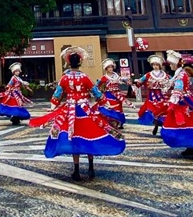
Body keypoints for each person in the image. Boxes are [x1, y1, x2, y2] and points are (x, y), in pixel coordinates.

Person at [29, 47, 125, 181]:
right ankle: (91, 167)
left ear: (68, 63)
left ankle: (76, 170)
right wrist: (105, 103)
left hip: (70, 111)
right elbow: (96, 92)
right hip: (85, 110)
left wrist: (52, 107)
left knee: (74, 138)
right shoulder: (85, 77)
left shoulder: (64, 78)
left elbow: (57, 94)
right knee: (90, 135)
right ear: (80, 62)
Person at [134, 54, 171, 135]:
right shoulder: (148, 74)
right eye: (153, 65)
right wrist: (136, 82)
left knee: (163, 110)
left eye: (157, 65)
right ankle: (156, 125)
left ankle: (162, 126)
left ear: (160, 65)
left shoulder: (165, 75)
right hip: (152, 95)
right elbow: (140, 81)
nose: (155, 66)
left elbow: (172, 81)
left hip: (162, 94)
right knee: (152, 109)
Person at [95, 58, 135, 128]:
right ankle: (113, 123)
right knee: (110, 109)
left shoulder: (116, 76)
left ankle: (119, 122)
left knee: (118, 109)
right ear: (106, 69)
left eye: (111, 67)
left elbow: (122, 80)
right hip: (108, 95)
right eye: (109, 67)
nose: (111, 68)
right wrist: (100, 94)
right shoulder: (104, 78)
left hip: (117, 95)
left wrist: (128, 81)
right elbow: (98, 86)